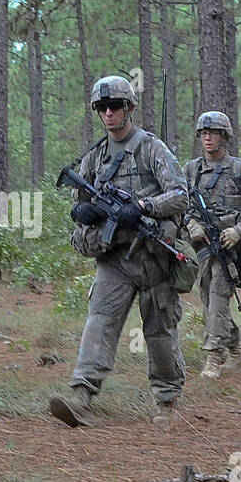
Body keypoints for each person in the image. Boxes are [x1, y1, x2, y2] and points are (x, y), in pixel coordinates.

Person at [49, 75, 188, 427]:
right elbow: (77, 203)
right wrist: (84, 211)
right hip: (115, 258)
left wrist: (142, 206)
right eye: (102, 108)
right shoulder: (94, 157)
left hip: (155, 255)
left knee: (159, 331)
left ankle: (167, 403)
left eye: (114, 107)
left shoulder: (152, 149)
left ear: (129, 108)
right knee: (100, 322)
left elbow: (179, 195)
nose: (108, 114)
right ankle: (81, 397)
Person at [183, 111, 241, 378]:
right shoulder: (190, 171)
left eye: (214, 133)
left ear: (224, 136)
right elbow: (178, 205)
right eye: (204, 133)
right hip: (202, 249)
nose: (208, 137)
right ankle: (235, 344)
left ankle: (214, 357)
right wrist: (191, 224)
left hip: (230, 250)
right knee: (208, 301)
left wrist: (238, 231)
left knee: (217, 297)